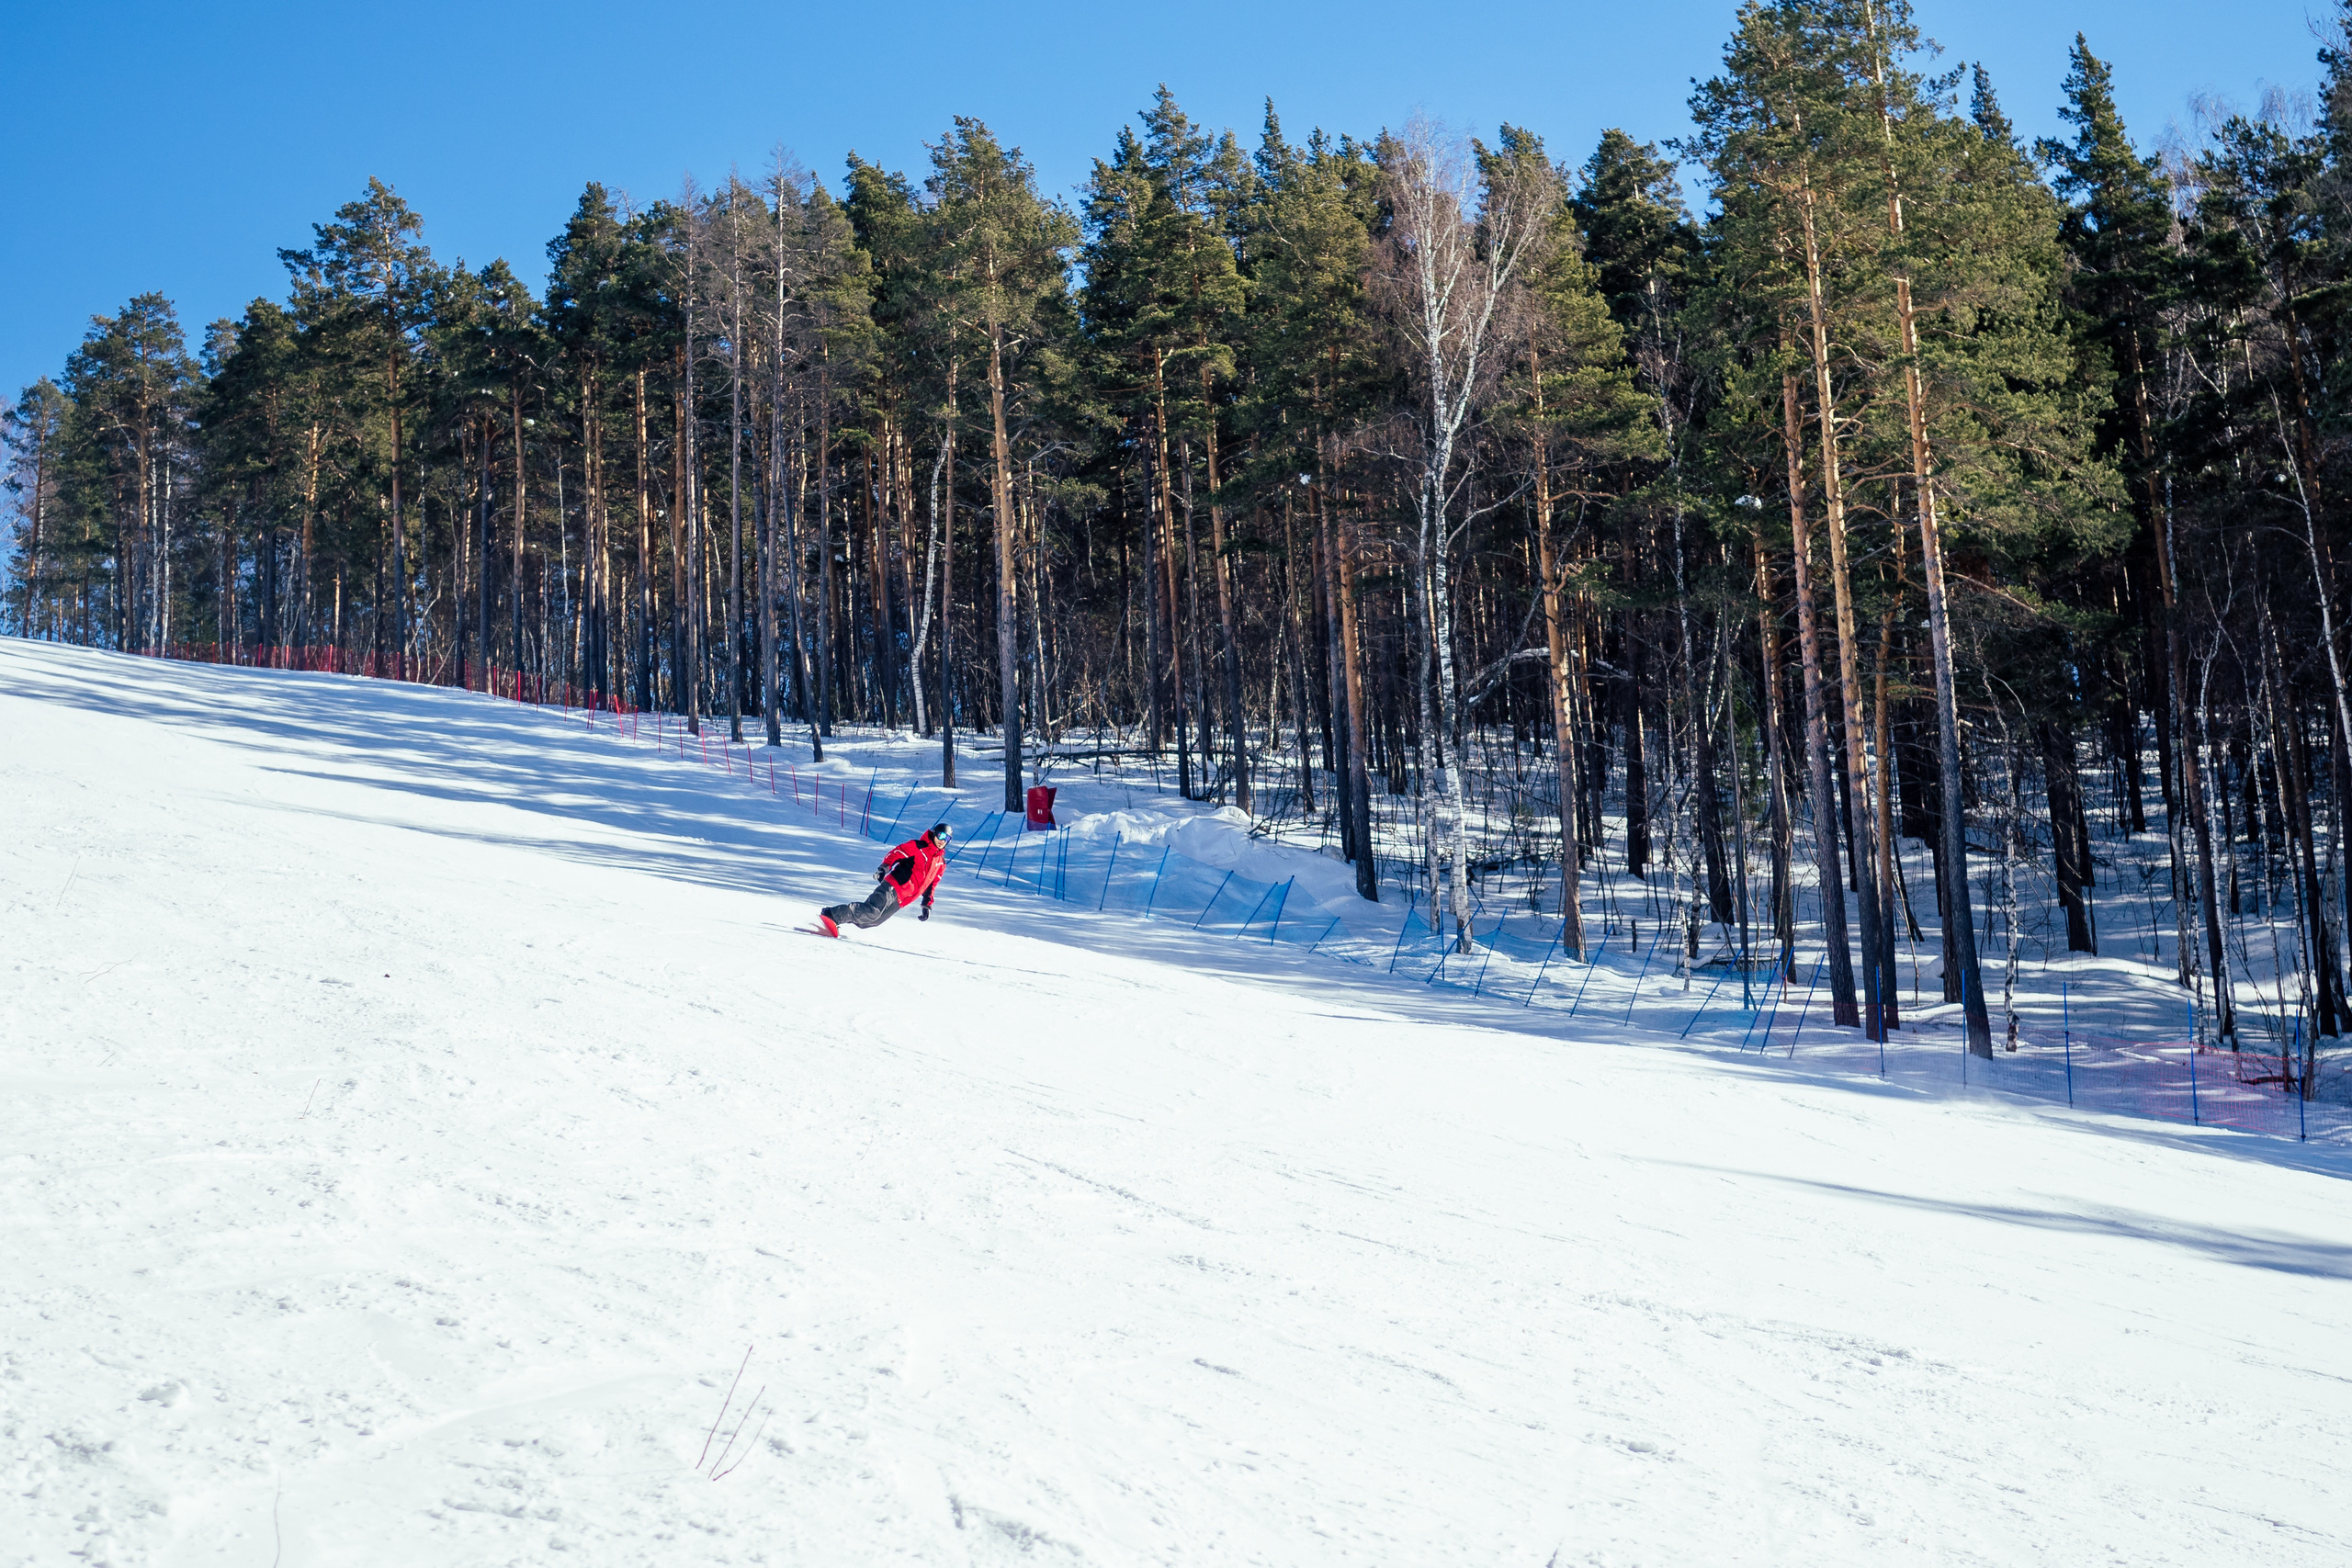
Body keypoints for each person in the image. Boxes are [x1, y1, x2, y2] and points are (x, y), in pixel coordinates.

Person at [819, 822, 952, 937]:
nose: (942, 840)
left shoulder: (941, 863)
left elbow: (932, 885)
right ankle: (832, 914)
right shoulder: (918, 847)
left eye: (947, 838)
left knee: (872, 921)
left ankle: (838, 918)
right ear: (934, 834)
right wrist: (884, 868)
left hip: (903, 899)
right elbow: (896, 853)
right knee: (872, 911)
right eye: (941, 836)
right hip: (893, 886)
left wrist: (926, 905)